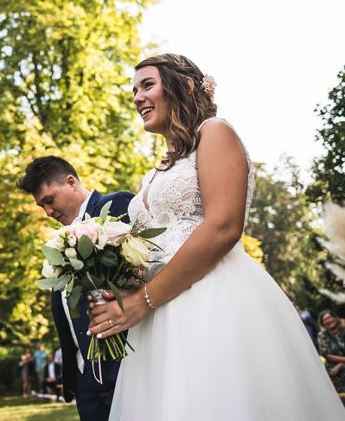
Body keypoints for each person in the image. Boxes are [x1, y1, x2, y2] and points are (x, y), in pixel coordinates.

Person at [87, 53, 345, 420]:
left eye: (147, 85)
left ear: (186, 85)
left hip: (211, 299)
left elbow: (223, 227)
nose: (137, 98)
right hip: (159, 316)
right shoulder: (159, 169)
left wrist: (145, 300)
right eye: (134, 90)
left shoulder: (215, 131)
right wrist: (122, 285)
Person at [19, 155, 133, 420]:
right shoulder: (59, 239)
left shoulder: (114, 205)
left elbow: (139, 272)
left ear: (71, 182)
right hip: (86, 377)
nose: (47, 212)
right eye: (41, 206)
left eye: (49, 200)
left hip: (123, 367)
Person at [317, 310, 345, 394]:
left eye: (329, 317)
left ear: (335, 318)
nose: (328, 320)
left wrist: (341, 364)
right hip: (337, 373)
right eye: (325, 320)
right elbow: (327, 355)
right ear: (322, 323)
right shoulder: (322, 335)